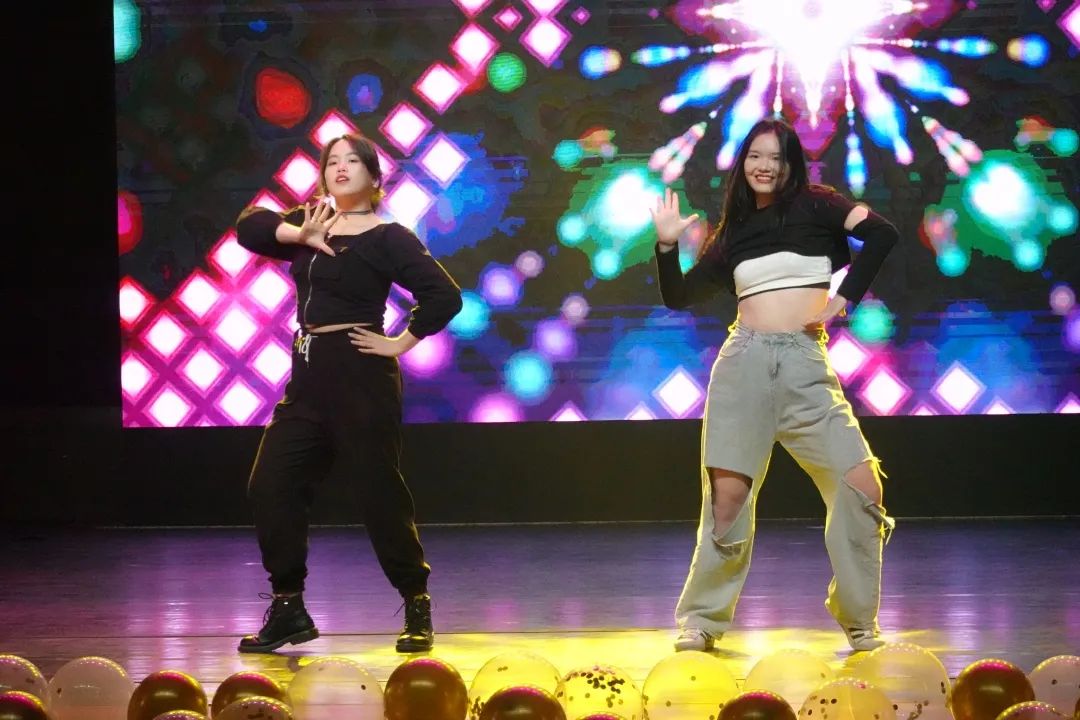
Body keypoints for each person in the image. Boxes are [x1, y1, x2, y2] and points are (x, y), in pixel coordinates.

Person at [650, 117, 899, 652]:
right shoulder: (733, 232)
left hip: (806, 367)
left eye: (776, 157)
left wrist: (844, 299)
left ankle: (859, 616)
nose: (765, 166)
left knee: (861, 485)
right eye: (755, 156)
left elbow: (883, 234)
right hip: (743, 364)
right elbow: (678, 297)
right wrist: (666, 247)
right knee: (727, 500)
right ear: (744, 163)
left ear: (791, 164)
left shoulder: (819, 204)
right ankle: (702, 619)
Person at [234, 133, 462, 653]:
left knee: (378, 492)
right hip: (307, 377)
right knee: (271, 483)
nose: (340, 167)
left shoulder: (387, 236)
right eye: (331, 161)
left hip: (361, 377)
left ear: (374, 176)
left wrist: (400, 342)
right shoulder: (311, 221)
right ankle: (289, 607)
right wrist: (299, 234)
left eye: (352, 160)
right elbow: (249, 224)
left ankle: (416, 601)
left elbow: (443, 295)